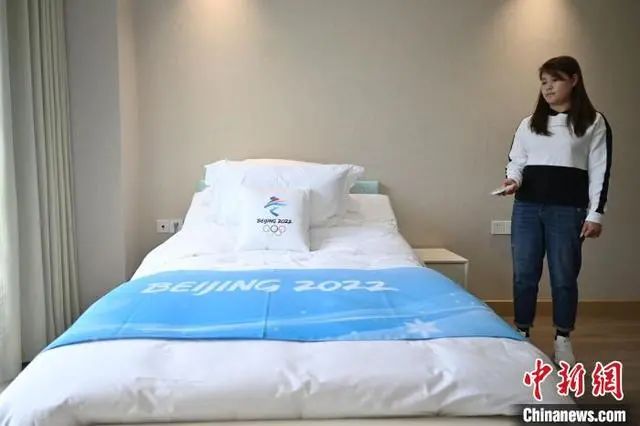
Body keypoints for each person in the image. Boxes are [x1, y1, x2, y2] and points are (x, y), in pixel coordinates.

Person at [499, 56, 612, 366]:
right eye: (543, 82)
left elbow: (600, 170)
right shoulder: (528, 123)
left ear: (574, 80)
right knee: (524, 275)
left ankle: (563, 339)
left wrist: (595, 214)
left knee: (563, 277)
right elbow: (516, 161)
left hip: (568, 210)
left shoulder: (593, 122)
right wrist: (513, 180)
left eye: (555, 80)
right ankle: (522, 333)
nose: (548, 87)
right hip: (526, 208)